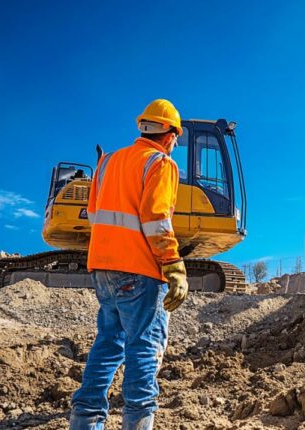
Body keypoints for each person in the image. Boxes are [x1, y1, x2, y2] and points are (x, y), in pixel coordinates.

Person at [69, 99, 189, 430]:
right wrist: (174, 265)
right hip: (139, 271)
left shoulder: (108, 162)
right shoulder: (160, 163)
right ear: (169, 135)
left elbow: (95, 216)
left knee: (108, 344)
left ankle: (84, 422)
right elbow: (156, 219)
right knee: (143, 350)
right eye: (176, 139)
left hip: (103, 269)